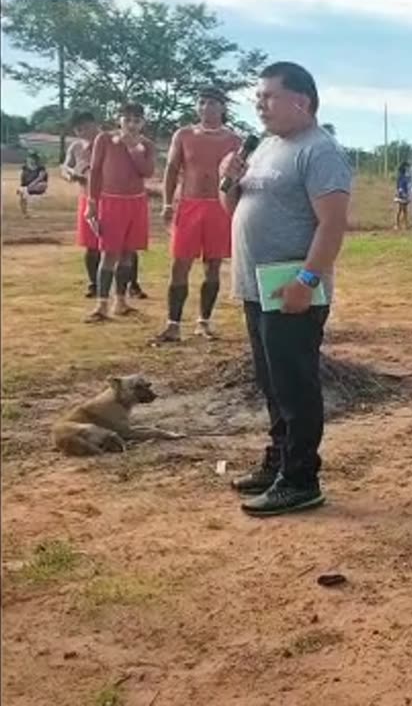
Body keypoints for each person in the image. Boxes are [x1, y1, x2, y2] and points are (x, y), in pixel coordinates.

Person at [219, 61, 352, 517]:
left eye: (268, 97)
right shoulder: (266, 147)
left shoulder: (320, 151)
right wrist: (227, 181)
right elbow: (233, 207)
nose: (260, 105)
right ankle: (278, 462)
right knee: (272, 383)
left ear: (302, 100)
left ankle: (300, 480)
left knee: (295, 386)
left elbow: (333, 225)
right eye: (258, 98)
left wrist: (307, 280)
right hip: (256, 289)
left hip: (292, 290)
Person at [154, 88, 242, 343]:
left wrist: (236, 208)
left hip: (219, 206)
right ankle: (173, 324)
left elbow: (239, 176)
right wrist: (167, 204)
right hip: (189, 205)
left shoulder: (233, 140)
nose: (206, 107)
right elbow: (171, 170)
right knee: (180, 263)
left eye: (212, 103)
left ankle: (204, 322)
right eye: (201, 102)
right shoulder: (184, 134)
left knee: (212, 265)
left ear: (222, 108)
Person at [85, 103, 155, 323]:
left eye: (136, 120)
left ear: (143, 122)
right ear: (119, 120)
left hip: (136, 203)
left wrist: (134, 148)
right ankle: (101, 304)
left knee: (127, 254)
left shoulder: (147, 145)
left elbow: (147, 171)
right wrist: (92, 202)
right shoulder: (104, 140)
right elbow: (95, 171)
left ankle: (121, 301)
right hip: (111, 202)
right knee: (109, 253)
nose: (132, 125)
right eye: (127, 120)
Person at [63, 111, 103, 298]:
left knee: (120, 244)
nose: (82, 132)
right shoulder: (76, 147)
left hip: (110, 197)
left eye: (85, 127)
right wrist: (70, 173)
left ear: (95, 124)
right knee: (91, 244)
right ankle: (94, 283)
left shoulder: (110, 143)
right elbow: (65, 166)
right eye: (78, 130)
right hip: (87, 197)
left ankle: (130, 283)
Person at [16, 151, 48, 217]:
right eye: (30, 158)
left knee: (43, 184)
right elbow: (23, 180)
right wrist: (23, 187)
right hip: (28, 187)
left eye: (34, 158)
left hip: (38, 186)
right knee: (22, 192)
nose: (32, 160)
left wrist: (30, 185)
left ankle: (26, 191)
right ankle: (25, 213)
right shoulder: (25, 168)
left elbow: (40, 177)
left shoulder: (41, 168)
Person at [393, 162, 410, 230]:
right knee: (401, 210)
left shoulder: (402, 177)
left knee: (403, 210)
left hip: (402, 195)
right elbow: (400, 188)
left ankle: (403, 224)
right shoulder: (402, 177)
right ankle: (399, 224)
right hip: (401, 196)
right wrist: (404, 195)